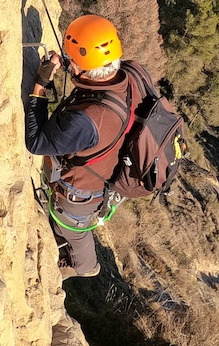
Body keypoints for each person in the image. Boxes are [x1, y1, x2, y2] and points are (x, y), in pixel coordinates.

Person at [25, 14, 150, 280]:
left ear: (81, 67)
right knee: (71, 226)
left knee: (73, 231)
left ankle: (85, 267)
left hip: (80, 194)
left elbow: (36, 143)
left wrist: (41, 83)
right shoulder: (130, 73)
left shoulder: (88, 118)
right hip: (108, 167)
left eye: (71, 60)